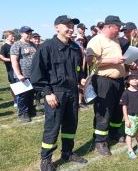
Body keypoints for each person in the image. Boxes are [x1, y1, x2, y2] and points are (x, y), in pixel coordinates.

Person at [30, 15, 88, 171]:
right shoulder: (46, 47)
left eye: (72, 26)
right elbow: (36, 74)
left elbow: (79, 70)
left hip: (72, 92)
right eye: (67, 26)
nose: (71, 29)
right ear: (57, 27)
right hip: (55, 93)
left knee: (71, 124)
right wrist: (47, 93)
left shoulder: (75, 48)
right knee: (52, 127)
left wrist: (82, 79)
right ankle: (46, 159)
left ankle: (67, 153)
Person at [86, 15, 125, 156]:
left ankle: (114, 133)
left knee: (117, 109)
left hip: (118, 81)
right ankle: (100, 141)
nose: (119, 31)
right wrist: (112, 60)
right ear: (109, 26)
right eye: (117, 28)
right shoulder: (96, 40)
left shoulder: (115, 40)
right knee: (104, 111)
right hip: (104, 81)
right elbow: (90, 62)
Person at [10, 26, 37, 122]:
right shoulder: (17, 45)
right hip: (22, 75)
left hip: (33, 74)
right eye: (27, 33)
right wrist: (19, 74)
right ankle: (22, 113)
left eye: (30, 33)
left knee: (31, 94)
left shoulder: (33, 44)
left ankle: (31, 110)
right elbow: (14, 61)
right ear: (21, 33)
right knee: (23, 95)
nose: (29, 34)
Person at [0, 30, 17, 107]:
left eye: (13, 36)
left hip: (19, 67)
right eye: (11, 36)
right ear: (7, 37)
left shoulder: (16, 45)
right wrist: (11, 59)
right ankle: (15, 101)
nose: (13, 37)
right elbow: (1, 57)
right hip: (11, 69)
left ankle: (22, 99)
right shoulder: (4, 47)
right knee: (13, 84)